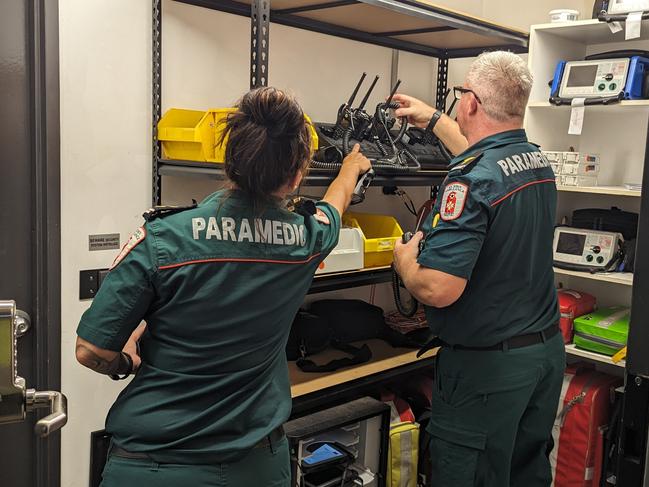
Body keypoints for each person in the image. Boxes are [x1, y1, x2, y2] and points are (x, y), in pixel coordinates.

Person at [75, 87, 372, 487]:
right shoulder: (305, 240)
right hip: (254, 467)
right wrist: (350, 169)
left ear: (230, 163)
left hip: (153, 466)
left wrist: (126, 362)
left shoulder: (164, 239)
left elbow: (91, 350)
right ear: (297, 175)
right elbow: (332, 208)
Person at [392, 51, 564, 487]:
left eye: (460, 95)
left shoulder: (470, 181)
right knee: (523, 473)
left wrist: (407, 266)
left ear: (470, 103)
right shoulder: (536, 161)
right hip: (540, 357)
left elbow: (438, 289)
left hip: (487, 370)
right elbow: (483, 156)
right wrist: (432, 119)